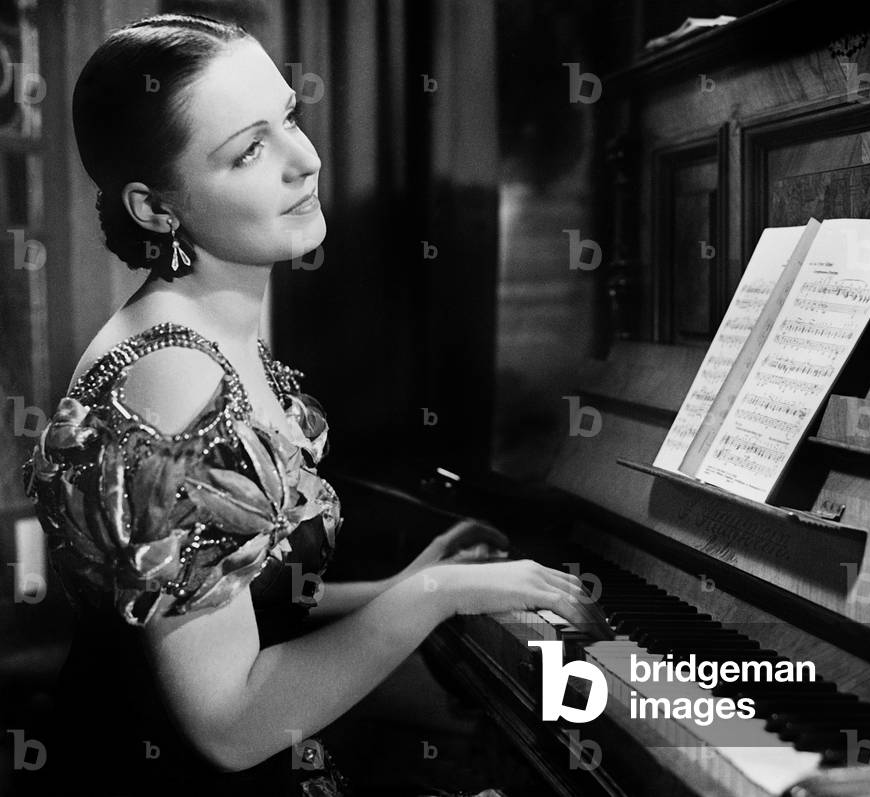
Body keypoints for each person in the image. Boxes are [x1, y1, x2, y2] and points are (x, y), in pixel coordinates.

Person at [21, 14, 606, 796]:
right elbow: (228, 723)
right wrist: (437, 596)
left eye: (289, 116)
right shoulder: (172, 372)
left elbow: (235, 601)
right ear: (157, 209)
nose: (307, 160)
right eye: (249, 150)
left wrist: (405, 584)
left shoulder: (212, 330)